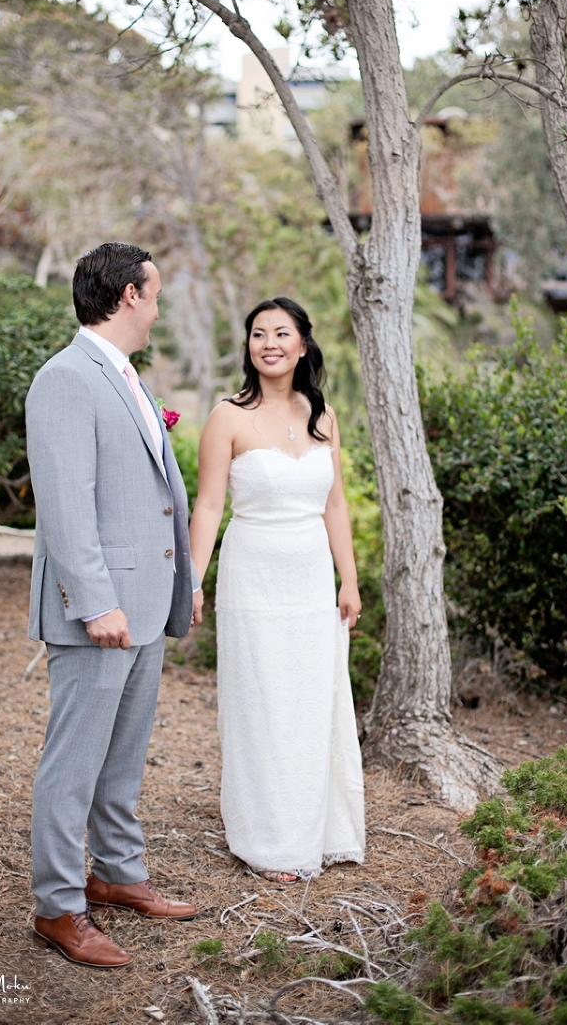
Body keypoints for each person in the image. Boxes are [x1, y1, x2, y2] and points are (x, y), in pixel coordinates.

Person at [26, 242, 202, 968]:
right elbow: (66, 505)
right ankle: (59, 907)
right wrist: (96, 602)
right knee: (73, 765)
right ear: (129, 295)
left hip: (147, 600)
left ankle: (119, 876)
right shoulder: (65, 378)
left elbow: (153, 497)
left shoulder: (124, 376)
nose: (159, 307)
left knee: (123, 758)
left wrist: (181, 582)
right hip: (99, 611)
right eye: (155, 294)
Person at [189, 297, 365, 883]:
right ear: (248, 347)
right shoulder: (228, 417)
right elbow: (209, 504)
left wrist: (350, 577)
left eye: (281, 333)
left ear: (303, 345)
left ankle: (317, 825)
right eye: (258, 333)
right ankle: (266, 837)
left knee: (310, 697)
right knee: (262, 700)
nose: (269, 342)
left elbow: (334, 503)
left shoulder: (325, 418)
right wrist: (193, 578)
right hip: (253, 576)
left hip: (312, 578)